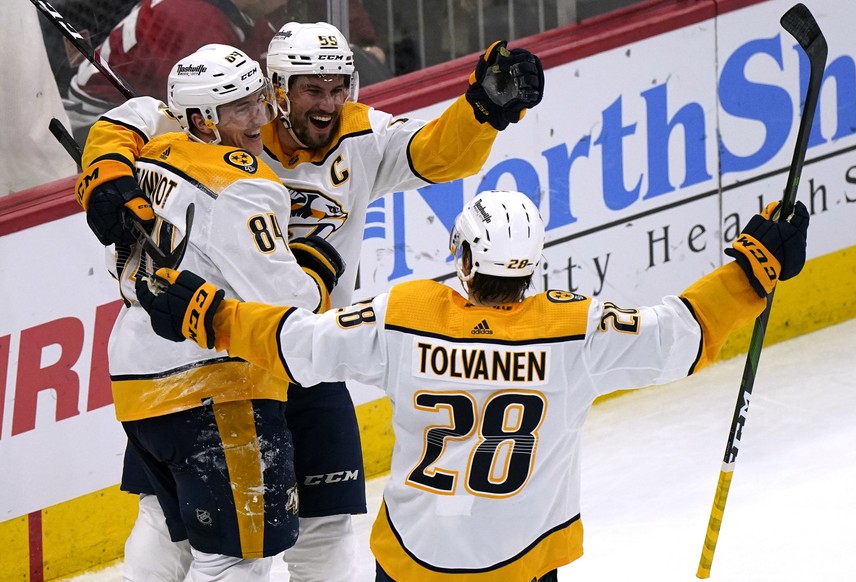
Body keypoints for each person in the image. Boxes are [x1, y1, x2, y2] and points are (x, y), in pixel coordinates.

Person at [134, 189, 810, 581]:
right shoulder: (574, 329)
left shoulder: (404, 314)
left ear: (462, 255)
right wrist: (752, 270)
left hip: (415, 561)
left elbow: (295, 343)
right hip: (520, 563)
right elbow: (681, 334)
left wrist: (208, 312)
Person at [74, 22, 544, 581]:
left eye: (338, 86)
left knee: (325, 531)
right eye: (312, 90)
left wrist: (481, 110)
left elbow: (437, 155)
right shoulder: (235, 127)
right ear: (277, 87)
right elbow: (136, 116)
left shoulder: (356, 135)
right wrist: (105, 166)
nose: (329, 103)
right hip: (228, 362)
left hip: (308, 359)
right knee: (171, 527)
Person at [100, 43, 345, 580]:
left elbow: (129, 114)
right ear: (200, 120)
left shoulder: (144, 156)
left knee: (163, 531)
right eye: (240, 109)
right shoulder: (243, 186)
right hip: (216, 391)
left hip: (140, 386)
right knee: (238, 559)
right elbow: (288, 310)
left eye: (258, 99)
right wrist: (316, 270)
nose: (260, 118)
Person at [65, 0, 287, 142]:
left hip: (150, 108)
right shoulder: (193, 19)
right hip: (100, 122)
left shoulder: (238, 12)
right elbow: (206, 115)